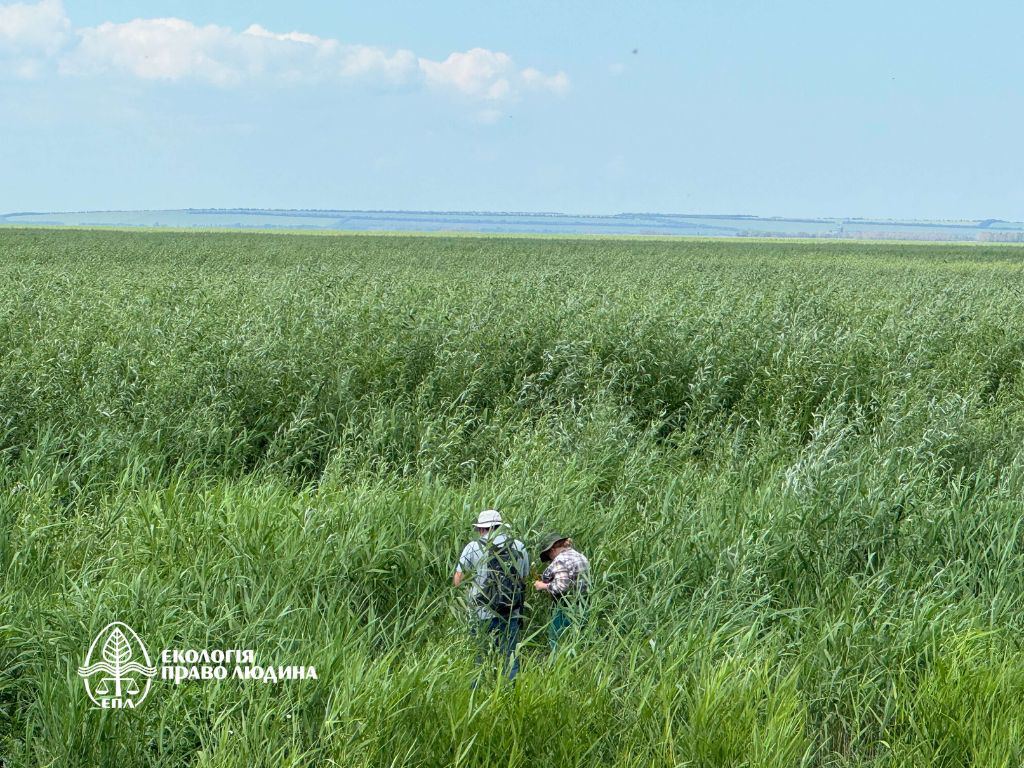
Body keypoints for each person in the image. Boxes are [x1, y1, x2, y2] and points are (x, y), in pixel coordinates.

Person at [453, 509, 529, 682]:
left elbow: (458, 580)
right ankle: (510, 693)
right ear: (500, 526)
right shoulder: (519, 546)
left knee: (479, 655)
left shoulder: (473, 546)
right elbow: (523, 578)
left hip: (480, 611)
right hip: (510, 612)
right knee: (510, 656)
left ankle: (477, 691)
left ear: (482, 529)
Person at [533, 533, 590, 652]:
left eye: (549, 555)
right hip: (584, 604)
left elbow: (561, 587)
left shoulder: (560, 560)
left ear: (552, 549)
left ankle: (556, 664)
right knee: (577, 638)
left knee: (557, 638)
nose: (550, 559)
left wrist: (543, 585)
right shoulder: (579, 556)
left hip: (566, 606)